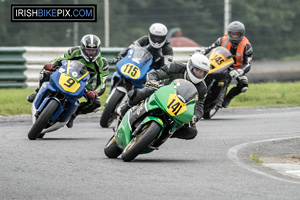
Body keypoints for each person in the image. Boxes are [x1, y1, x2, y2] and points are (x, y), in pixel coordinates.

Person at [118, 53, 210, 140]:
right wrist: (152, 81)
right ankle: (126, 107)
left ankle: (166, 133)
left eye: (202, 72)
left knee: (192, 131)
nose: (198, 73)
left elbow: (199, 106)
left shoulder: (202, 88)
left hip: (181, 106)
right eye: (197, 70)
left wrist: (195, 117)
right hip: (163, 91)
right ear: (190, 66)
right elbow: (156, 74)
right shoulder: (176, 67)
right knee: (147, 90)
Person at [27, 34, 109, 128]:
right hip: (66, 75)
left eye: (93, 51)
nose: (90, 53)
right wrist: (51, 65)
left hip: (84, 84)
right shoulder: (73, 51)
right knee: (45, 73)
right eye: (88, 50)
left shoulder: (102, 63)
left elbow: (102, 83)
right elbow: (60, 60)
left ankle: (72, 114)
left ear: (98, 50)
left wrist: (94, 92)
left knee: (96, 104)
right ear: (82, 48)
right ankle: (38, 93)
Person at [198, 21, 253, 108]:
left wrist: (240, 71)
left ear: (241, 34)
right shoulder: (222, 40)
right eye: (232, 34)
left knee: (244, 85)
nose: (234, 36)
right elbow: (211, 48)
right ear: (229, 33)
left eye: (237, 34)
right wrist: (203, 51)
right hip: (220, 64)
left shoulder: (247, 46)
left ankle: (228, 98)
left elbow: (248, 64)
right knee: (203, 73)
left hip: (235, 69)